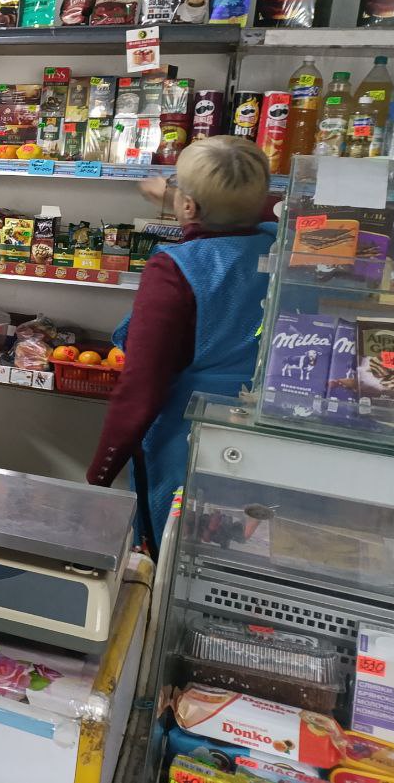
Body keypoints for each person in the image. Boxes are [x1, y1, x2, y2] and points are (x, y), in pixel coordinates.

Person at [87, 137, 276, 555]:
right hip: (266, 430)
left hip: (188, 440)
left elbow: (142, 387)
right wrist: (183, 194)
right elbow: (257, 207)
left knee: (177, 558)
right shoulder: (279, 243)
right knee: (246, 554)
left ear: (188, 207)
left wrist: (100, 474)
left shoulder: (177, 268)